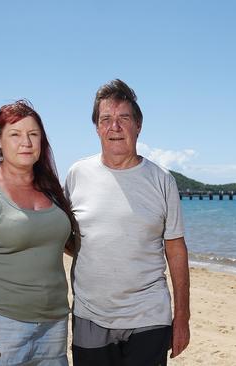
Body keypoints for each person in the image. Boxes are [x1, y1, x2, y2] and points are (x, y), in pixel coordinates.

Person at [65, 79, 191, 365]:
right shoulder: (76, 174)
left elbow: (176, 250)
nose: (115, 127)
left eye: (124, 118)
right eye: (106, 119)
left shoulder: (162, 181)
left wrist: (182, 316)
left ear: (138, 125)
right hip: (90, 315)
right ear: (97, 127)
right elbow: (64, 236)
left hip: (149, 315)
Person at [0, 100, 77, 365]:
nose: (26, 142)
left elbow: (69, 244)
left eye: (33, 134)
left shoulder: (51, 189)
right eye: (15, 134)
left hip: (53, 325)